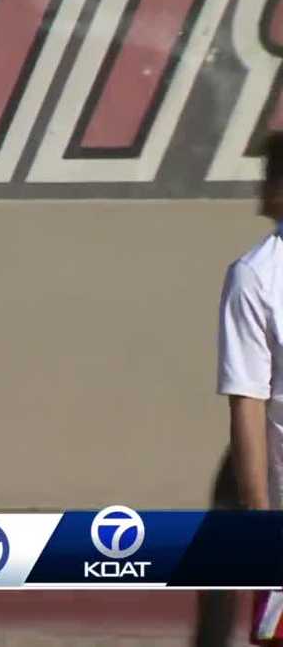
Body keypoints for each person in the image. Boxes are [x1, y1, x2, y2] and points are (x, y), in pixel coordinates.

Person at [217, 130, 283, 646]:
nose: (261, 187)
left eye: (269, 176)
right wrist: (260, 523)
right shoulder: (255, 277)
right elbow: (248, 404)